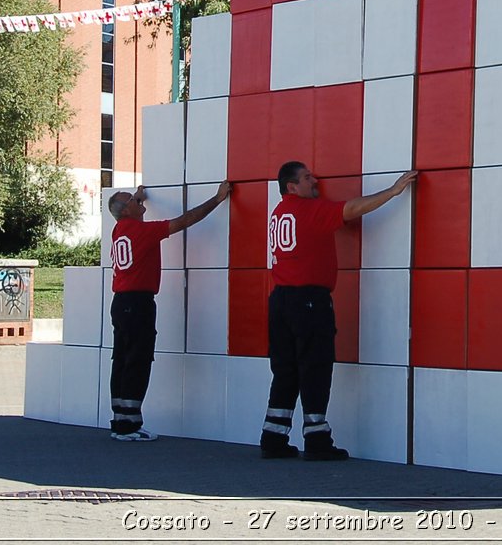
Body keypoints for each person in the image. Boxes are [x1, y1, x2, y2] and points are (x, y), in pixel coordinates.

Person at [259, 162, 418, 460]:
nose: (314, 181)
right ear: (292, 186)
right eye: (307, 178)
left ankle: (273, 437)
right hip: (308, 301)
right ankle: (317, 438)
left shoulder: (279, 212)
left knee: (285, 370)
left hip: (280, 300)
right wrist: (394, 191)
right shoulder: (308, 211)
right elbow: (354, 209)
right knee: (315, 367)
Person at [108, 180, 231, 440]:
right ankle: (129, 426)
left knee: (121, 358)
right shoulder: (143, 232)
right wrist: (217, 199)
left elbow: (129, 209)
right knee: (138, 360)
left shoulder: (120, 229)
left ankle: (120, 419)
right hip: (138, 303)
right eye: (133, 200)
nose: (138, 200)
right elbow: (184, 221)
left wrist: (138, 198)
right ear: (127, 210)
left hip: (120, 303)